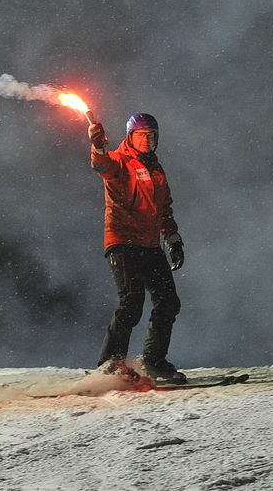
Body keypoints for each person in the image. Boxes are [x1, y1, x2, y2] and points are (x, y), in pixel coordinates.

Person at [88, 113, 188, 384]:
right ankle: (110, 365)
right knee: (131, 302)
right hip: (122, 241)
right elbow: (102, 165)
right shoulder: (120, 161)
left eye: (152, 136)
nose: (148, 140)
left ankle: (153, 361)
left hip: (149, 244)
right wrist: (97, 146)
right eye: (142, 135)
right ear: (131, 136)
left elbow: (164, 208)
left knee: (168, 301)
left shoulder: (156, 170)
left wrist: (173, 239)